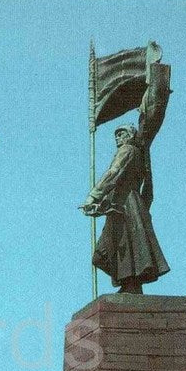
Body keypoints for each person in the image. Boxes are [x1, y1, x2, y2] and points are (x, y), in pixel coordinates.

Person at [79, 62, 172, 294]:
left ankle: (132, 285)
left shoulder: (128, 151)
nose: (117, 138)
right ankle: (131, 286)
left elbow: (113, 174)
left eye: (121, 133)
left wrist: (93, 195)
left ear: (130, 135)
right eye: (116, 135)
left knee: (121, 248)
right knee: (118, 250)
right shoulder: (130, 151)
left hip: (127, 204)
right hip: (120, 205)